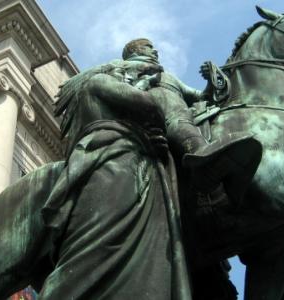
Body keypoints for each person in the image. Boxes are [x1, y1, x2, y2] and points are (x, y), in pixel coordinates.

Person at [39, 62, 192, 299]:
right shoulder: (98, 81)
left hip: (115, 158)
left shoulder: (98, 95)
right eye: (125, 73)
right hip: (114, 162)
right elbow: (148, 104)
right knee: (102, 245)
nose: (127, 76)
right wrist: (147, 87)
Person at [122, 38, 262, 197]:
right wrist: (144, 84)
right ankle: (202, 158)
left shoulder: (167, 76)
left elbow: (201, 97)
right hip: (158, 118)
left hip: (184, 114)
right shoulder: (126, 67)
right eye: (148, 47)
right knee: (178, 123)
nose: (155, 51)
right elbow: (121, 90)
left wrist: (210, 79)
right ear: (134, 51)